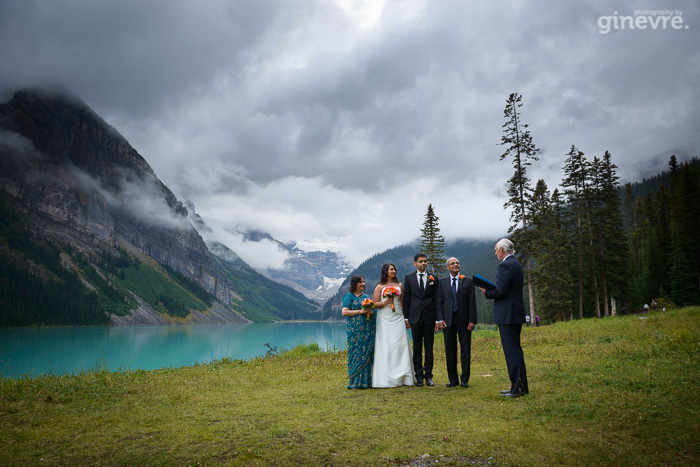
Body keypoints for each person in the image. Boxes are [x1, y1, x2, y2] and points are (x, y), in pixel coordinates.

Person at [478, 238, 529, 398]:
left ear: (501, 249)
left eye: (495, 249)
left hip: (507, 314)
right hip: (515, 313)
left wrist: (487, 292)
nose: (495, 253)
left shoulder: (505, 265)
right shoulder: (516, 263)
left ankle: (517, 389)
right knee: (515, 351)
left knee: (512, 353)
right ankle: (519, 386)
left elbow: (501, 291)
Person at [371, 263, 415, 387]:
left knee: (400, 344)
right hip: (384, 317)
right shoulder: (380, 286)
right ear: (385, 271)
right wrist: (385, 302)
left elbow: (402, 303)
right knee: (387, 344)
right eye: (391, 269)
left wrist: (405, 318)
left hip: (398, 316)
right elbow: (373, 304)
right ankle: (386, 377)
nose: (394, 271)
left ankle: (404, 375)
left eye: (395, 269)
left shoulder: (399, 285)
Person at [436, 257, 477, 388]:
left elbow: (472, 302)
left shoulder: (468, 281)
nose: (455, 265)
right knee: (450, 349)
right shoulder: (442, 282)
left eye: (457, 263)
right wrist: (440, 319)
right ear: (447, 267)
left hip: (464, 320)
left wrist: (472, 320)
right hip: (448, 320)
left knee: (465, 349)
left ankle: (465, 379)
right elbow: (439, 302)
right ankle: (452, 379)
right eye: (452, 263)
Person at [403, 253, 438, 387]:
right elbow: (407, 299)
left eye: (425, 261)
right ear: (415, 263)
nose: (423, 263)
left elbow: (436, 298)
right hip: (415, 318)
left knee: (429, 348)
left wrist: (437, 319)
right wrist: (406, 318)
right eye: (420, 261)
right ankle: (419, 376)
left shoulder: (433, 278)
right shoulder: (409, 278)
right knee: (417, 348)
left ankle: (428, 375)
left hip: (429, 317)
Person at [341, 275, 376, 389]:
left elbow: (371, 311)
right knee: (355, 352)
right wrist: (361, 311)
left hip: (366, 329)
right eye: (360, 282)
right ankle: (354, 381)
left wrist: (370, 312)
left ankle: (366, 382)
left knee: (366, 351)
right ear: (354, 284)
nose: (363, 284)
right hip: (354, 330)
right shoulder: (349, 297)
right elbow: (344, 312)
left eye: (364, 282)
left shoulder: (366, 297)